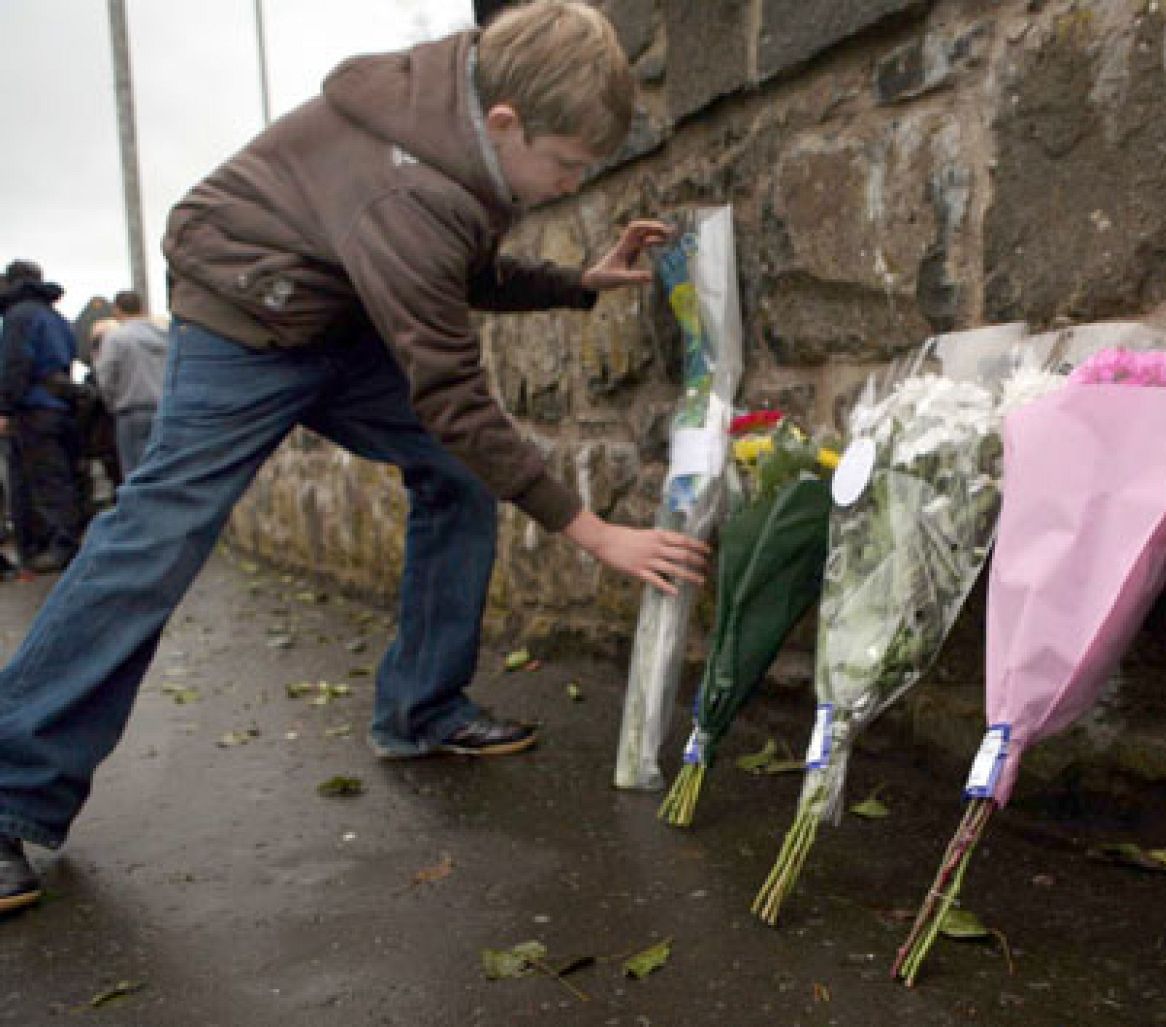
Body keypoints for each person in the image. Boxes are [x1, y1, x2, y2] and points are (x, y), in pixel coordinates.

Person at [0, 1, 709, 915]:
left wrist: (577, 282)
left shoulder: (465, 122)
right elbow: (451, 391)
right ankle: (11, 788)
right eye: (568, 164)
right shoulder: (411, 184)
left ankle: (421, 708)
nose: (570, 183)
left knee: (454, 479)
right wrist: (591, 529)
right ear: (505, 121)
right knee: (159, 531)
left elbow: (451, 264)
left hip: (340, 304)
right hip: (245, 313)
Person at [0, 260, 84, 575]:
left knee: (41, 482)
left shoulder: (18, 317)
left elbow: (15, 365)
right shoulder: (56, 316)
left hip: (33, 409)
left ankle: (58, 547)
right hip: (60, 407)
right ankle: (59, 543)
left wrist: (5, 408)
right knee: (60, 477)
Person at [92, 290, 169, 477]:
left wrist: (112, 403)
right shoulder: (165, 336)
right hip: (164, 410)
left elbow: (106, 376)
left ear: (117, 310)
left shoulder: (116, 338)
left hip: (131, 411)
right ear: (142, 308)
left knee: (135, 471)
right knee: (162, 469)